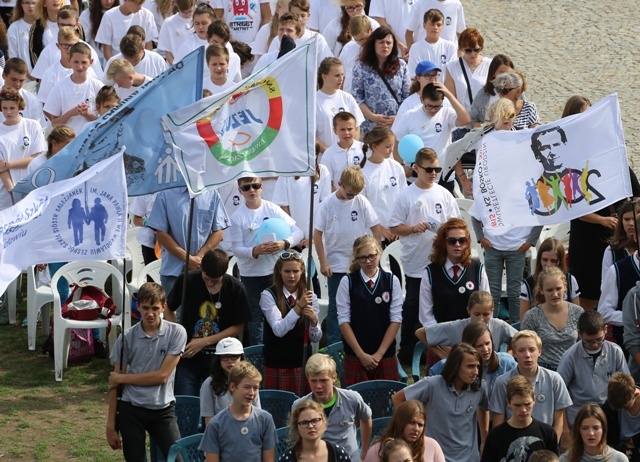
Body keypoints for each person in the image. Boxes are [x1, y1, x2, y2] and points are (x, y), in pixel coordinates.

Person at [470, 100, 543, 322]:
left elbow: (537, 210)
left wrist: (530, 241)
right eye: (502, 115)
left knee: (514, 292)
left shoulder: (520, 140)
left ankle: (515, 330)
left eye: (511, 115)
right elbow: (477, 207)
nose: (507, 119)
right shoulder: (486, 142)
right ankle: (491, 329)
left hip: (517, 243)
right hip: (493, 242)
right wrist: (482, 238)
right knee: (490, 293)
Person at [389, 147, 460, 363]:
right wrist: (412, 228)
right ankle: (408, 354)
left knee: (439, 308)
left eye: (437, 169)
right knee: (413, 308)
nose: (434, 173)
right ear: (416, 168)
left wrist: (445, 233)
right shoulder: (406, 195)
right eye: (429, 169)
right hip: (416, 264)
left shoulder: (444, 194)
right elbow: (394, 227)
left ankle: (437, 352)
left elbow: (457, 225)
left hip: (440, 262)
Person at [106, 282, 188, 461]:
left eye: (155, 308)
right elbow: (115, 385)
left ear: (164, 307)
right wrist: (110, 425)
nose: (150, 313)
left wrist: (123, 378)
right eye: (145, 308)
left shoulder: (177, 332)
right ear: (138, 306)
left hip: (163, 409)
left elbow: (162, 376)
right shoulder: (126, 338)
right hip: (132, 408)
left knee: (178, 458)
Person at [228, 176, 303, 346]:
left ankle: (279, 351)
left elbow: (298, 232)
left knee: (281, 314)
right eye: (246, 188)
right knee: (255, 318)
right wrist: (255, 251)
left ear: (262, 187)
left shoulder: (273, 209)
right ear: (240, 191)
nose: (252, 190)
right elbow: (236, 249)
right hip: (251, 275)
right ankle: (257, 357)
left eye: (255, 186)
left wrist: (284, 243)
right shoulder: (237, 217)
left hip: (274, 273)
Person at [165, 249, 250, 396]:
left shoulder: (236, 288)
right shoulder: (187, 280)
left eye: (215, 280)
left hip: (221, 360)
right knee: (187, 401)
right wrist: (176, 332)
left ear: (224, 274)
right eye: (206, 278)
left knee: (218, 406)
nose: (210, 283)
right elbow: (168, 308)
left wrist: (204, 341)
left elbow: (238, 327)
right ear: (200, 269)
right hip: (189, 358)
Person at [314, 165, 381, 345]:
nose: (352, 197)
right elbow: (317, 235)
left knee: (361, 303)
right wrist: (323, 262)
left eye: (355, 194)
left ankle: (360, 342)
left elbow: (376, 228)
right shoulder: (327, 204)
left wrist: (376, 255)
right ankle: (335, 345)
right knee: (336, 307)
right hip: (335, 263)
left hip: (358, 262)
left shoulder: (361, 201)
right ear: (339, 184)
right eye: (349, 193)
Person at [392, 342, 489, 462]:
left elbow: (484, 408)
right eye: (470, 366)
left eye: (478, 366)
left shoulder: (480, 387)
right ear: (456, 366)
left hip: (470, 458)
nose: (475, 371)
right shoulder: (432, 385)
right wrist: (411, 428)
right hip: (436, 457)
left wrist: (484, 440)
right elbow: (397, 398)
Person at [337, 235, 402, 385]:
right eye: (362, 258)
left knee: (386, 404)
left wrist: (379, 354)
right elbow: (343, 320)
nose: (368, 261)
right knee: (355, 405)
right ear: (356, 258)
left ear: (379, 253)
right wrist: (361, 355)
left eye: (372, 256)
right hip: (356, 354)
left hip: (385, 354)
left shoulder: (392, 281)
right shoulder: (348, 282)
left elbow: (395, 319)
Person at [489, 330, 572, 441]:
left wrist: (550, 448)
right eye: (521, 350)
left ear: (539, 351)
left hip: (544, 443)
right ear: (514, 353)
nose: (527, 355)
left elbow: (559, 421)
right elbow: (498, 423)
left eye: (532, 350)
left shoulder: (554, 379)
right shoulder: (502, 382)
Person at [147, 185, 228, 297]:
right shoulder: (165, 194)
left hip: (203, 272)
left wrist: (198, 259)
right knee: (173, 313)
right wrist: (188, 259)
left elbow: (219, 232)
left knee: (202, 313)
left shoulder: (212, 193)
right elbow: (161, 234)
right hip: (173, 272)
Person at [391, 81, 470, 193]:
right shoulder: (409, 116)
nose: (433, 110)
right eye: (429, 106)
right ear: (421, 100)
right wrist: (401, 165)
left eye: (437, 106)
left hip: (443, 177)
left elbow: (466, 120)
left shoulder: (446, 113)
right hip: (416, 178)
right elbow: (397, 143)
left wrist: (449, 94)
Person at [292, 353, 373, 461]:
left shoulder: (352, 399)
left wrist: (364, 450)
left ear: (334, 377)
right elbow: (296, 437)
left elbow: (366, 418)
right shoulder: (299, 406)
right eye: (313, 381)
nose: (318, 386)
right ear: (308, 378)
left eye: (323, 380)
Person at [260, 251, 321, 394]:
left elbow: (316, 337)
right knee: (278, 412)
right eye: (287, 271)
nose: (291, 276)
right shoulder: (268, 295)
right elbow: (279, 330)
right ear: (280, 271)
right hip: (276, 363)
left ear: (302, 272)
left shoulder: (311, 296)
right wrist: (298, 307)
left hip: (302, 363)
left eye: (295, 271)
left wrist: (313, 322)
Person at [557, 311, 628, 427]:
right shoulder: (570, 356)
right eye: (589, 341)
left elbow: (626, 387)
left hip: (608, 412)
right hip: (578, 415)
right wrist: (564, 429)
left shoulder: (615, 351)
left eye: (600, 339)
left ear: (605, 330)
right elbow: (559, 393)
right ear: (579, 334)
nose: (595, 345)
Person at [419, 218, 489, 329]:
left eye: (462, 240)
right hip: (441, 335)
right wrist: (440, 337)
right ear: (444, 242)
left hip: (471, 335)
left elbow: (486, 307)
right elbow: (426, 315)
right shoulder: (430, 272)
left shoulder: (477, 269)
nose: (457, 244)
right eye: (452, 241)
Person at [199, 361, 277, 461]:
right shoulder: (216, 424)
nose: (252, 393)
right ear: (232, 387)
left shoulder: (265, 419)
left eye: (255, 388)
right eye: (247, 387)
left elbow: (269, 459)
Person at [429, 321, 517, 399]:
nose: (485, 349)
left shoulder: (506, 363)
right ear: (469, 346)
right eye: (479, 346)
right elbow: (433, 381)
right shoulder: (447, 365)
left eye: (487, 343)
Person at [481, 376, 558, 462]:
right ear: (508, 403)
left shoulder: (547, 433)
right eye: (517, 405)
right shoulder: (496, 435)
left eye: (527, 404)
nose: (523, 410)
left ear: (534, 400)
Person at [522, 267, 584, 371]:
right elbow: (526, 349)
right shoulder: (531, 316)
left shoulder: (578, 313)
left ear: (565, 287)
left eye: (558, 289)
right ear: (541, 290)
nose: (555, 294)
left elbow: (584, 346)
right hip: (543, 372)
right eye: (549, 290)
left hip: (573, 370)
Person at [352, 26, 410, 134]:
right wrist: (373, 117)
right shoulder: (360, 66)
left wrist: (398, 117)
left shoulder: (402, 65)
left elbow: (407, 97)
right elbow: (357, 97)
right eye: (381, 42)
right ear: (373, 43)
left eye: (388, 43)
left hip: (396, 125)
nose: (385, 46)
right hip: (370, 126)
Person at [360, 125, 407, 245]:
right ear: (374, 146)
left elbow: (404, 199)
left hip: (397, 234)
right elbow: (362, 209)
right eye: (387, 146)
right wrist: (382, 230)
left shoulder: (396, 167)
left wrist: (398, 227)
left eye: (392, 145)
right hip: (373, 237)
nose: (392, 150)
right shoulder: (362, 172)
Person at [0, 88, 46, 211]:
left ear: (19, 106)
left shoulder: (32, 126)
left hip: (31, 187)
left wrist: (9, 164)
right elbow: (1, 168)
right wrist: (13, 192)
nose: (8, 112)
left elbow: (37, 157)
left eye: (12, 108)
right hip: (6, 194)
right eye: (5, 108)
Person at [43, 41, 103, 134]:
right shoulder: (59, 87)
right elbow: (54, 123)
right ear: (69, 60)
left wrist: (87, 114)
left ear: (91, 62)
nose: (80, 66)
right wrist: (72, 113)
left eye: (84, 62)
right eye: (76, 62)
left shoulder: (98, 86)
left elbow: (104, 120)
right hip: (67, 141)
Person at [200, 337, 261, 426]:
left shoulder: (251, 380)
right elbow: (209, 420)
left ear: (241, 358)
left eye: (234, 356)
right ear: (218, 359)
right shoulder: (209, 384)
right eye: (224, 357)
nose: (229, 361)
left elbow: (257, 415)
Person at [443, 27, 491, 139]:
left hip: (484, 125)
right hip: (462, 126)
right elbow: (451, 99)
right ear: (461, 48)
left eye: (477, 50)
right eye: (468, 50)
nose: (473, 54)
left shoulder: (490, 65)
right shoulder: (452, 67)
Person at [520, 237, 580, 321]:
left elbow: (577, 315)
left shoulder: (570, 280)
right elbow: (524, 322)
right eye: (544, 260)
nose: (548, 264)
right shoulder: (527, 285)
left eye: (553, 261)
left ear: (560, 261)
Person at [364, 400, 445, 462]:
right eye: (412, 422)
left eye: (420, 425)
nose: (416, 428)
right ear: (400, 422)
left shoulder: (432, 446)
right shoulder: (377, 451)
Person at [316, 57, 364, 154]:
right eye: (337, 75)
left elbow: (357, 126)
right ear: (324, 76)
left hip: (349, 156)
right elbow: (310, 135)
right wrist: (328, 153)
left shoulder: (347, 98)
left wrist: (350, 150)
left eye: (342, 74)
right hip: (325, 157)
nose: (341, 79)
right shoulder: (313, 101)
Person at [279, 400, 352, 462]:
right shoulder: (287, 458)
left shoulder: (339, 454)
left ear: (324, 422)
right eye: (304, 423)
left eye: (315, 420)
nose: (310, 426)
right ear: (297, 427)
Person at [560, 403, 627, 462]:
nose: (591, 433)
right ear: (578, 430)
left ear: (603, 429)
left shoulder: (619, 459)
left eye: (596, 428)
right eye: (585, 428)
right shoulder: (565, 460)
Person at [320, 111, 365, 191]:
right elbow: (326, 183)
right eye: (342, 129)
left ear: (355, 129)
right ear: (335, 131)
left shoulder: (365, 149)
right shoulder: (329, 154)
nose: (346, 133)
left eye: (350, 129)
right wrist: (340, 197)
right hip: (339, 200)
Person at [407, 8, 457, 80]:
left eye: (438, 25)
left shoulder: (450, 47)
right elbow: (414, 75)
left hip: (444, 89)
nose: (435, 28)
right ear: (424, 25)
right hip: (424, 90)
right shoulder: (416, 48)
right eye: (432, 24)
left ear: (442, 26)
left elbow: (452, 74)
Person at [468, 54, 515, 127]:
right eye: (502, 73)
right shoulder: (483, 94)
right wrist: (488, 126)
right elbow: (471, 122)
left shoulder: (517, 92)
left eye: (509, 74)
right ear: (493, 73)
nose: (505, 77)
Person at [603, 372, 640, 456]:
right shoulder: (608, 409)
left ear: (636, 395)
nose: (622, 411)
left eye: (626, 407)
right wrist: (621, 450)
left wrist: (635, 441)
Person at [601, 200, 638, 283]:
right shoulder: (611, 251)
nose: (631, 223)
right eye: (627, 219)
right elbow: (606, 284)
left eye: (634, 219)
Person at [0, 58, 45, 125]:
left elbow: (39, 127)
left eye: (21, 81)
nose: (17, 84)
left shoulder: (32, 100)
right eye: (13, 79)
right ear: (3, 75)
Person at [156, 0, 196, 65]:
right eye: (184, 12)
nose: (187, 14)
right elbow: (167, 52)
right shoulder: (168, 23)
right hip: (175, 66)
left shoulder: (199, 22)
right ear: (176, 5)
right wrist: (176, 68)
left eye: (190, 11)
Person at [28, 0, 63, 67]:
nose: (55, 0)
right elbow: (34, 52)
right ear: (44, 3)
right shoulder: (37, 25)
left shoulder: (72, 23)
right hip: (46, 72)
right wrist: (42, 74)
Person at [7, 0, 38, 77]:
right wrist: (27, 75)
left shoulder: (45, 25)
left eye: (34, 3)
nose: (30, 6)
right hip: (24, 79)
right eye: (27, 2)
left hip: (44, 77)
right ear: (21, 4)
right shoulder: (14, 27)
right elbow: (13, 56)